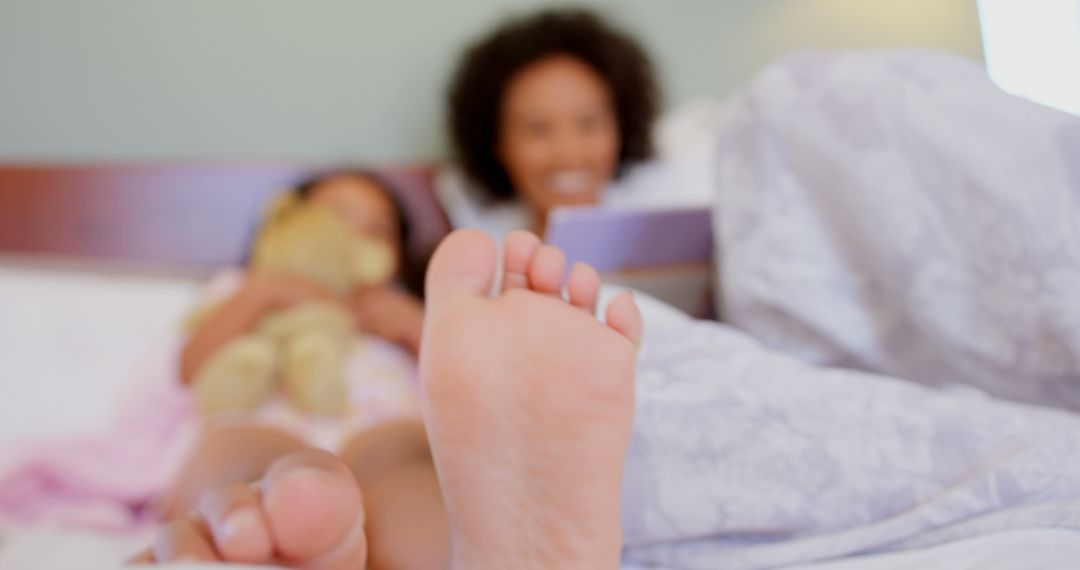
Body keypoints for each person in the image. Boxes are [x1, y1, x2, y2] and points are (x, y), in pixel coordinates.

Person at [158, 171, 451, 569]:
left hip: (379, 428)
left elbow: (458, 388)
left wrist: (417, 327)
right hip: (270, 419)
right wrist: (265, 292)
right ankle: (234, 543)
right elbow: (189, 368)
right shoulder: (244, 286)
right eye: (336, 216)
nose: (353, 235)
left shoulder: (403, 306)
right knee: (243, 459)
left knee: (406, 470)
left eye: (378, 229)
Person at [441, 7, 662, 238]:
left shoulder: (668, 247)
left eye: (589, 124)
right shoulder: (487, 263)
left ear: (621, 127)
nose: (568, 153)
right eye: (538, 129)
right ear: (497, 144)